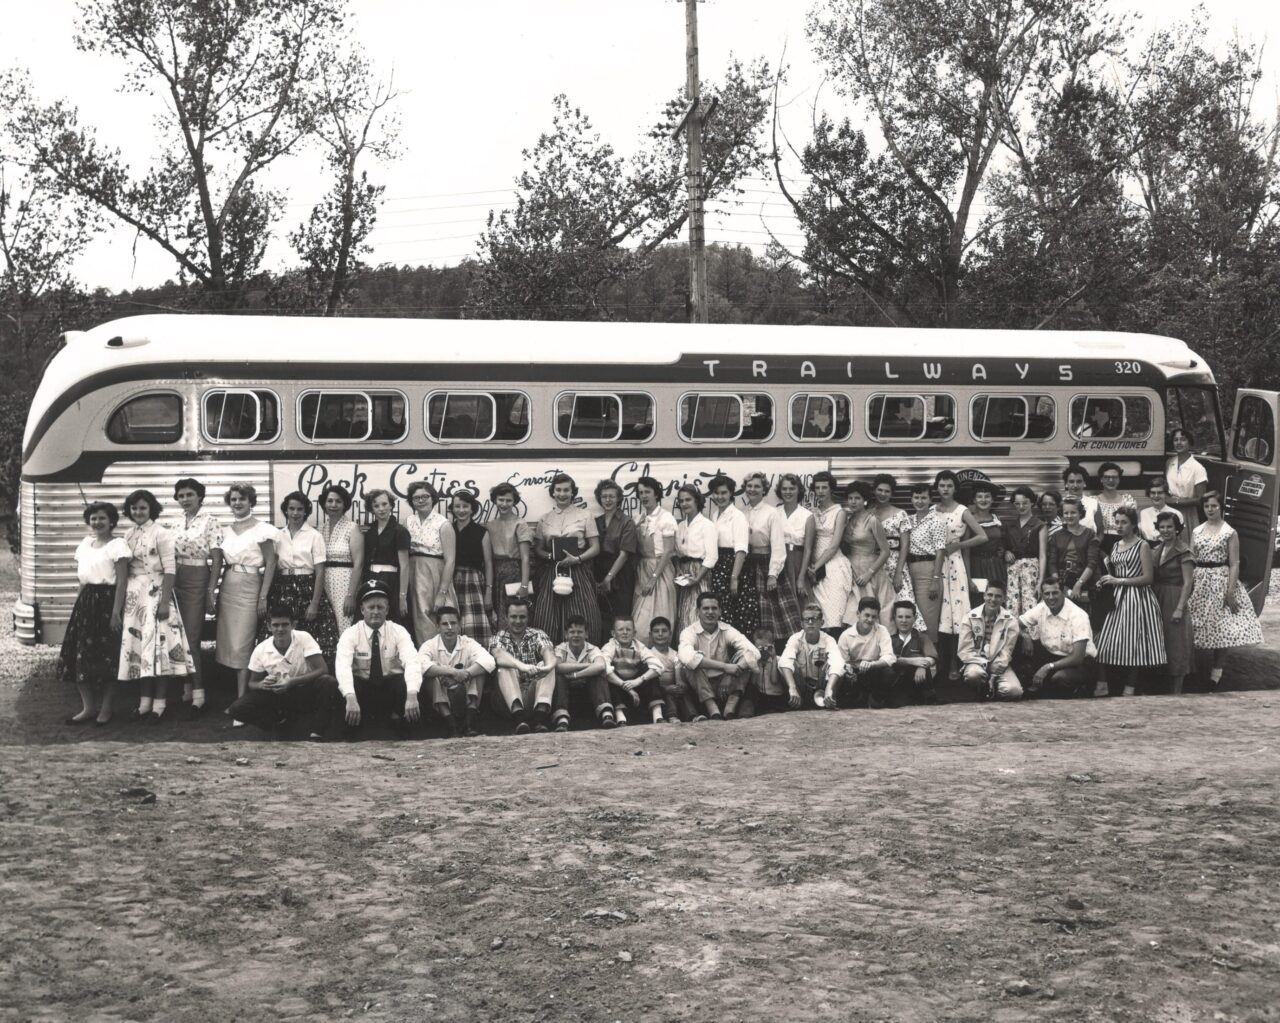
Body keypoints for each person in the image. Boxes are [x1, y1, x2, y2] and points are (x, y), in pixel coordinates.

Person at [118, 489, 197, 722]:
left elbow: (170, 569)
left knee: (159, 650)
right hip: (135, 598)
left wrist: (164, 602)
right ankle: (144, 703)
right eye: (134, 508)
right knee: (141, 650)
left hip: (157, 595)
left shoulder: (161, 533)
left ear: (151, 509)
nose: (138, 512)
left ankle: (159, 704)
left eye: (143, 507)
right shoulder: (128, 535)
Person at [59, 502, 129, 725]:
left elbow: (122, 583)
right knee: (80, 656)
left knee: (108, 657)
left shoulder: (118, 545)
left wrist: (116, 613)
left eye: (102, 518)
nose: (97, 522)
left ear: (111, 521)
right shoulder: (85, 544)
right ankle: (88, 707)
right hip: (86, 604)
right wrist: (78, 606)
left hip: (107, 603)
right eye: (93, 518)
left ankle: (106, 709)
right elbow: (82, 580)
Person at [213, 483, 278, 717]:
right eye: (233, 500)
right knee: (230, 644)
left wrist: (263, 596)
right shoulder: (226, 530)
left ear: (251, 501)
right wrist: (215, 591)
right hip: (230, 583)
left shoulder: (263, 529)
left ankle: (241, 703)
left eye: (242, 499)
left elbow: (271, 563)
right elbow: (220, 564)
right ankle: (239, 697)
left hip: (251, 585)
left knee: (242, 645)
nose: (237, 503)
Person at [1188, 490, 1263, 687]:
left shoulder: (1229, 532)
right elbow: (1191, 558)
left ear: (1221, 507)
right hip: (1200, 579)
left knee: (1222, 626)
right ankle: (1193, 670)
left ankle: (1216, 673)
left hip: (1220, 579)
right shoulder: (1197, 531)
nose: (1210, 509)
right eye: (1206, 506)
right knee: (1195, 624)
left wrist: (1230, 592)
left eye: (1214, 505)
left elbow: (1235, 563)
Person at [227, 605, 336, 740]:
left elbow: (322, 669)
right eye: (276, 625)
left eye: (285, 624)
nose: (280, 629)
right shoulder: (261, 649)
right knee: (236, 709)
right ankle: (278, 724)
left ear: (293, 625)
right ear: (269, 626)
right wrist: (262, 684)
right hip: (278, 695)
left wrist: (292, 682)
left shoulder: (304, 638)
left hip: (304, 691)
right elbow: (252, 683)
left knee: (328, 682)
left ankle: (317, 731)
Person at [333, 579, 424, 739]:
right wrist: (350, 697)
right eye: (371, 607)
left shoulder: (398, 631)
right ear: (362, 609)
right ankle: (350, 733)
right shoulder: (351, 634)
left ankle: (408, 733)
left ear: (387, 609)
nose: (375, 611)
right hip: (363, 691)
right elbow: (343, 668)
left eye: (380, 607)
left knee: (408, 684)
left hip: (391, 690)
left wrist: (411, 695)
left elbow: (412, 662)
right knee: (344, 687)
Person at [260, 491, 340, 666]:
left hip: (307, 587)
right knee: (282, 632)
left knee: (314, 636)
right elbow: (271, 564)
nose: (295, 513)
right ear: (286, 511)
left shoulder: (314, 536)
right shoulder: (277, 536)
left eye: (299, 509)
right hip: (283, 588)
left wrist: (315, 603)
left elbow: (320, 572)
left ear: (306, 512)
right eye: (291, 509)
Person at [1095, 505, 1166, 696]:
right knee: (1103, 640)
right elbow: (1114, 572)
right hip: (1116, 597)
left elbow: (1148, 578)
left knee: (1134, 641)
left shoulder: (1142, 545)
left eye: (1124, 522)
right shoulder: (1115, 545)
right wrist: (1106, 580)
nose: (1119, 526)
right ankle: (1102, 684)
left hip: (1137, 598)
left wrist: (1119, 580)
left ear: (1133, 524)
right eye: (1116, 522)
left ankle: (1130, 687)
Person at [170, 477, 222, 713]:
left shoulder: (210, 521)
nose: (185, 499)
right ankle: (186, 688)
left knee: (191, 638)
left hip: (197, 576)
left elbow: (217, 558)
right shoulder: (175, 523)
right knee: (176, 636)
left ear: (200, 496)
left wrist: (211, 590)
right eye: (181, 496)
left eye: (190, 495)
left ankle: (200, 694)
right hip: (175, 577)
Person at [532, 473, 603, 643]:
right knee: (547, 614)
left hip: (578, 569)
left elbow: (595, 547)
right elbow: (538, 549)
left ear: (573, 492)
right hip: (553, 570)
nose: (562, 494)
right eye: (558, 490)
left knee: (583, 611)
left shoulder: (586, 515)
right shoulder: (545, 518)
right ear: (553, 492)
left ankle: (585, 654)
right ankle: (550, 655)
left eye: (566, 490)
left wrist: (577, 559)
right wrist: (550, 555)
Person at [677, 591, 761, 720]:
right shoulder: (689, 632)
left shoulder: (726, 629)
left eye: (714, 608)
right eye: (705, 608)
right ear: (698, 611)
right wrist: (725, 667)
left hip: (726, 684)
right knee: (689, 665)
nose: (710, 612)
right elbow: (687, 657)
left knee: (747, 657)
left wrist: (729, 673)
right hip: (701, 684)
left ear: (720, 611)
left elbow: (754, 651)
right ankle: (713, 710)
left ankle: (730, 708)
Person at [934, 470, 985, 680]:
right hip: (936, 564)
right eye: (942, 485)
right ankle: (939, 663)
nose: (945, 489)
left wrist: (958, 545)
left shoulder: (962, 511)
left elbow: (982, 536)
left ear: (955, 488)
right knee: (938, 612)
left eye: (949, 486)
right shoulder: (931, 510)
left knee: (956, 613)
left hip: (955, 565)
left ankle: (955, 662)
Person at [743, 470, 802, 641]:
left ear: (764, 490)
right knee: (752, 609)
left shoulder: (771, 513)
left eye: (757, 486)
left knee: (773, 612)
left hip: (766, 564)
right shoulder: (741, 512)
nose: (752, 489)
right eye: (749, 486)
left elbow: (778, 546)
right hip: (748, 564)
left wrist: (772, 574)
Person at [1014, 576, 1097, 698]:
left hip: (1078, 663)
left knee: (1059, 679)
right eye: (1047, 594)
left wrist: (1048, 667)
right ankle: (1035, 686)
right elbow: (1014, 624)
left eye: (1055, 593)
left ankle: (1080, 690)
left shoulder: (1078, 615)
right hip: (1050, 655)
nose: (1051, 597)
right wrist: (1025, 635)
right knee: (1017, 640)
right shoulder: (1042, 607)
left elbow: (1077, 657)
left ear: (1063, 593)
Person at [420, 604, 495, 737]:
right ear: (437, 626)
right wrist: (452, 672)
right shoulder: (430, 645)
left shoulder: (467, 642)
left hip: (465, 693)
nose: (449, 628)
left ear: (459, 625)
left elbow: (489, 661)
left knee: (479, 669)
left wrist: (466, 673)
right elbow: (421, 665)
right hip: (442, 698)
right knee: (432, 672)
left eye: (453, 623)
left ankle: (469, 722)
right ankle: (451, 724)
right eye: (445, 624)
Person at [489, 595, 560, 733]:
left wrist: (547, 667)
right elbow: (499, 655)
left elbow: (548, 652)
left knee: (547, 665)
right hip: (506, 701)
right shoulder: (498, 637)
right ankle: (519, 718)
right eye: (513, 617)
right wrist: (522, 666)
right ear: (506, 618)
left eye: (522, 617)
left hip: (533, 697)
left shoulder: (537, 634)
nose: (518, 621)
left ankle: (540, 718)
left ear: (528, 618)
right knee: (504, 667)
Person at [405, 480, 455, 644]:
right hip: (412, 572)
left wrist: (442, 592)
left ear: (433, 498)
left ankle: (443, 660)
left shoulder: (443, 524)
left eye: (425, 496)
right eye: (416, 498)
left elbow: (450, 560)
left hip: (435, 573)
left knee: (438, 614)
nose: (421, 500)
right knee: (418, 618)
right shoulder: (408, 521)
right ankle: (426, 661)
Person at [1152, 511, 1195, 695]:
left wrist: (1179, 608)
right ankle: (1161, 685)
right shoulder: (1157, 549)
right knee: (1161, 641)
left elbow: (1188, 583)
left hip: (1175, 596)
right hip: (1158, 596)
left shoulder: (1184, 551)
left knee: (1177, 642)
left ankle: (1177, 689)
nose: (1166, 530)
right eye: (1162, 527)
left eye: (1170, 526)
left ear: (1177, 529)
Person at [956, 581, 1021, 701]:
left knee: (1014, 691)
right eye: (990, 595)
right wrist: (985, 664)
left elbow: (1007, 651)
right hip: (975, 662)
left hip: (999, 664)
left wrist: (996, 669)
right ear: (984, 595)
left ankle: (994, 686)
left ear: (1004, 599)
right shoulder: (970, 617)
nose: (993, 599)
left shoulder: (1010, 621)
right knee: (973, 675)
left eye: (998, 596)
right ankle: (981, 687)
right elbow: (964, 650)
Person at [842, 480, 895, 627]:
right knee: (852, 614)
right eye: (850, 498)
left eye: (857, 498)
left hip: (870, 571)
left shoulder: (872, 520)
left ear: (865, 500)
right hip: (851, 570)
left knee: (873, 613)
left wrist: (869, 574)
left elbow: (885, 551)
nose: (853, 502)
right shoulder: (848, 519)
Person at [631, 476, 678, 643]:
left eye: (647, 492)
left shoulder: (666, 518)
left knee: (660, 613)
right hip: (643, 568)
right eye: (640, 493)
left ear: (656, 494)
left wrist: (653, 579)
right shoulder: (639, 518)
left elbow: (667, 552)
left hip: (660, 570)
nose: (644, 496)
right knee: (639, 618)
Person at [871, 474, 921, 630]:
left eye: (887, 491)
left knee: (903, 602)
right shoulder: (868, 513)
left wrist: (899, 571)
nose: (882, 494)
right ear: (874, 491)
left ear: (892, 494)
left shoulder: (900, 514)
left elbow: (905, 545)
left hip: (894, 563)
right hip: (873, 563)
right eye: (880, 490)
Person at [806, 471, 853, 634]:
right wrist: (811, 567)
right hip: (815, 569)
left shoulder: (839, 512)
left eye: (824, 487)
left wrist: (815, 566)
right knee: (818, 614)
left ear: (831, 489)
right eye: (817, 487)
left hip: (833, 566)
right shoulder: (812, 512)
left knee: (834, 614)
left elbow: (834, 545)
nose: (820, 491)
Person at [704, 474, 752, 631]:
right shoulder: (715, 515)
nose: (720, 496)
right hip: (718, 567)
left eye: (724, 492)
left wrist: (734, 577)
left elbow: (741, 550)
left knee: (735, 610)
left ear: (731, 493)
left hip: (733, 567)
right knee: (720, 610)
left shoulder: (737, 516)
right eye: (716, 493)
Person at [777, 603, 846, 710]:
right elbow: (784, 661)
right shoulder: (795, 638)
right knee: (787, 664)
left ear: (821, 623)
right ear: (801, 624)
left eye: (814, 619)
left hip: (821, 685)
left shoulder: (829, 640)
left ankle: (828, 698)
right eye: (806, 619)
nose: (810, 622)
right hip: (801, 686)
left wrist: (829, 688)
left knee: (836, 665)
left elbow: (838, 663)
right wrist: (792, 688)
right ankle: (796, 700)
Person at [449, 490, 495, 648]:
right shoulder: (447, 529)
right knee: (452, 619)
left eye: (465, 506)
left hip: (473, 581)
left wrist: (489, 591)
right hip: (451, 579)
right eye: (457, 506)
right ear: (452, 508)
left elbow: (488, 563)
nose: (461, 510)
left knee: (473, 622)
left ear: (472, 509)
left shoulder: (481, 532)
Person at [601, 615, 666, 725]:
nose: (625, 632)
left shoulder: (639, 646)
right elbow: (604, 668)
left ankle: (658, 716)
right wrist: (625, 687)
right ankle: (620, 717)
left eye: (628, 629)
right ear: (613, 633)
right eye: (620, 629)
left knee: (650, 671)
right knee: (609, 673)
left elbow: (658, 666)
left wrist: (639, 680)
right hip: (619, 686)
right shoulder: (609, 647)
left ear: (634, 633)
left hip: (636, 686)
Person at [1046, 496, 1101, 623]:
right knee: (1061, 619)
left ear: (1080, 513)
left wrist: (1079, 584)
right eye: (1066, 513)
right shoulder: (1056, 535)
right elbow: (1052, 562)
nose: (1069, 516)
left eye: (1073, 512)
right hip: (1061, 580)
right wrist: (1058, 585)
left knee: (1082, 619)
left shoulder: (1089, 534)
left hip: (1083, 579)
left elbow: (1092, 562)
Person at [672, 485, 718, 634]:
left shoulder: (707, 525)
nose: (684, 504)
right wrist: (679, 572)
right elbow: (678, 553)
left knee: (696, 613)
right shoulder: (680, 526)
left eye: (688, 500)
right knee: (683, 614)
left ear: (697, 501)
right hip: (683, 574)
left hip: (700, 573)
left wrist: (697, 579)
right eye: (681, 501)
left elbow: (712, 557)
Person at [903, 483, 946, 642]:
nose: (919, 501)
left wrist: (935, 580)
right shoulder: (908, 520)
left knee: (927, 618)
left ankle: (931, 662)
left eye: (923, 497)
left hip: (928, 570)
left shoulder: (936, 521)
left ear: (930, 499)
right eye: (916, 497)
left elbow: (940, 551)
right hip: (909, 571)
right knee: (911, 616)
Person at [835, 597, 897, 709]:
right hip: (855, 673)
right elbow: (841, 661)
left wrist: (872, 664)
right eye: (867, 615)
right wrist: (848, 669)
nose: (870, 619)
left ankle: (876, 701)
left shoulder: (882, 630)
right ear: (858, 614)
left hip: (874, 670)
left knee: (889, 672)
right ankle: (857, 700)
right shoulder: (846, 635)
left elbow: (890, 657)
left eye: (874, 617)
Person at [360, 488, 410, 624]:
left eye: (384, 504)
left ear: (391, 505)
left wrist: (402, 596)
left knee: (392, 620)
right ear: (371, 509)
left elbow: (405, 566)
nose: (381, 509)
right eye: (376, 506)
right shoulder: (369, 530)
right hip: (371, 579)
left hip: (392, 582)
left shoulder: (400, 531)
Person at [319, 483, 364, 634]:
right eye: (330, 501)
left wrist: (350, 595)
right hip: (324, 581)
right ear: (324, 504)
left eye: (338, 501)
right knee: (327, 626)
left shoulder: (352, 528)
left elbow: (358, 564)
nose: (333, 505)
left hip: (345, 582)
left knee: (345, 625)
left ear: (345, 504)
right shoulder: (320, 529)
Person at [593, 479, 639, 626]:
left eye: (611, 496)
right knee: (601, 615)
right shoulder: (595, 521)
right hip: (599, 572)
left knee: (620, 615)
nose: (608, 500)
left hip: (620, 574)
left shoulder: (627, 522)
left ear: (618, 498)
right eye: (604, 496)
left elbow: (624, 554)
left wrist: (608, 578)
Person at [487, 483, 532, 631]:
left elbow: (525, 558)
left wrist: (524, 585)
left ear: (514, 502)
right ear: (495, 500)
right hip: (495, 573)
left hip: (514, 573)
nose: (504, 504)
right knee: (496, 616)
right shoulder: (490, 525)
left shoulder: (520, 524)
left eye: (508, 500)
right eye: (500, 500)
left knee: (513, 616)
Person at [555, 615, 614, 728]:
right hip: (566, 688)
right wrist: (587, 665)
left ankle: (606, 714)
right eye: (572, 632)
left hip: (587, 687)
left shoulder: (592, 648)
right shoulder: (561, 648)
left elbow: (601, 665)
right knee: (558, 676)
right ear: (566, 634)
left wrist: (576, 675)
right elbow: (557, 666)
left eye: (580, 632)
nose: (576, 635)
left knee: (598, 674)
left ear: (586, 634)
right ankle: (561, 717)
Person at [1003, 486, 1045, 618]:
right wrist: (1006, 552)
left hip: (1031, 568)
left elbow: (1043, 555)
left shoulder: (1039, 525)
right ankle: (1014, 637)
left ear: (1032, 502)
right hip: (1013, 568)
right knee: (1012, 605)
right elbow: (1004, 547)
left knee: (1030, 604)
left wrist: (1040, 582)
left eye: (1025, 503)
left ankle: (1032, 638)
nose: (1021, 506)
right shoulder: (1009, 525)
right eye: (1017, 503)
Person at [776, 473, 815, 608]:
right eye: (784, 489)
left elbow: (808, 549)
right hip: (778, 561)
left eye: (792, 488)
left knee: (800, 602)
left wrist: (801, 578)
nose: (788, 492)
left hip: (797, 561)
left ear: (798, 490)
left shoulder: (807, 516)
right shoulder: (775, 512)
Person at [647, 617, 697, 723]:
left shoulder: (675, 653)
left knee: (684, 694)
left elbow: (678, 671)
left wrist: (680, 685)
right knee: (667, 694)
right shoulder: (648, 654)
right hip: (658, 691)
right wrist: (665, 688)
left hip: (673, 688)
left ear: (670, 634)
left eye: (664, 631)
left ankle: (693, 716)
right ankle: (672, 716)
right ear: (650, 635)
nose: (660, 634)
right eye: (656, 631)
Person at [889, 600, 938, 705]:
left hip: (917, 683)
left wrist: (922, 666)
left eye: (908, 617)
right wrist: (913, 661)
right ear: (894, 618)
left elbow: (932, 658)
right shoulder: (889, 639)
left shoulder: (922, 637)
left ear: (915, 618)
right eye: (900, 617)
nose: (904, 620)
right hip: (897, 683)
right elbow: (888, 659)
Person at [968, 480, 1008, 601]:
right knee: (978, 600)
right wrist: (968, 577)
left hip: (996, 567)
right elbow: (965, 551)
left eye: (987, 496)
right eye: (979, 497)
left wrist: (1006, 551)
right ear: (974, 500)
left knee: (997, 600)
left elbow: (1002, 543)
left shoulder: (997, 520)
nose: (983, 500)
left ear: (992, 499)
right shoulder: (969, 520)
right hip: (976, 565)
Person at [1166, 427, 1208, 532]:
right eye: (1176, 440)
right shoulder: (1169, 462)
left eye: (1183, 439)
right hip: (1169, 511)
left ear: (1190, 442)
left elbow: (1200, 499)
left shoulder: (1198, 468)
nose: (1179, 443)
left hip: (1188, 513)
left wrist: (1177, 502)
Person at [1094, 463, 1128, 556]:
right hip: (1100, 543)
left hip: (1123, 542)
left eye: (1114, 477)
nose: (1111, 480)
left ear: (1119, 480)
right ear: (1101, 479)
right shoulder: (1093, 501)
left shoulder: (1127, 500)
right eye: (1106, 477)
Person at [1138, 478, 1184, 545]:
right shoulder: (1143, 513)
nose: (1156, 496)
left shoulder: (1176, 513)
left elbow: (1180, 540)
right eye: (1153, 493)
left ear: (1165, 494)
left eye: (1159, 493)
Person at [1062, 465, 1102, 535]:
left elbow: (1100, 533)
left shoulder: (1093, 503)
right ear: (1066, 484)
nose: (1075, 485)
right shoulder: (1061, 504)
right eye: (1071, 482)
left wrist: (1094, 545)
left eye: (1079, 481)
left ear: (1084, 483)